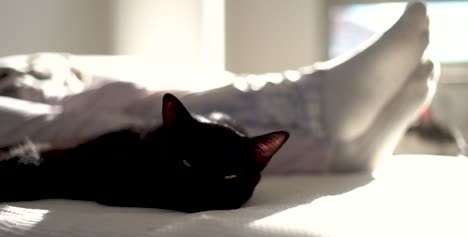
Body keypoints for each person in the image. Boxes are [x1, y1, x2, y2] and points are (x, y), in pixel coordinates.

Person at [0, 1, 439, 174]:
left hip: (39, 87)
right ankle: (321, 105)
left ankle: (334, 132)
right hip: (36, 109)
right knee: (121, 119)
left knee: (145, 102)